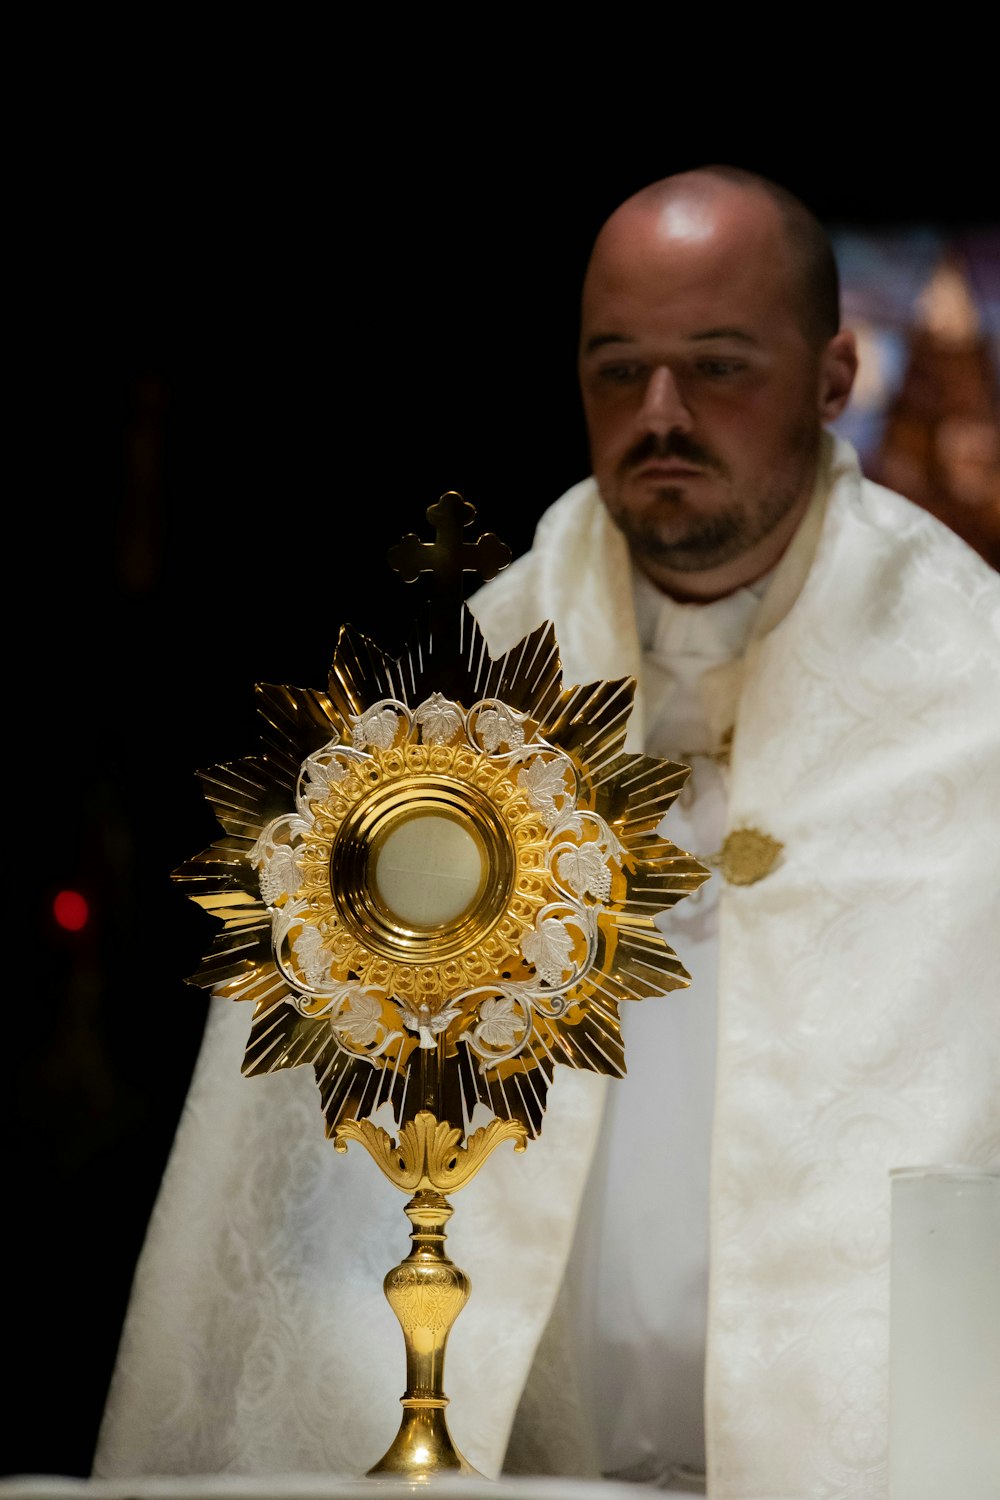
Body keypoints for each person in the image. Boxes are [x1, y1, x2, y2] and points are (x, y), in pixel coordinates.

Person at [93, 168, 1000, 1498]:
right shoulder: (453, 705)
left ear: (833, 374)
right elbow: (285, 1191)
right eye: (618, 371)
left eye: (718, 367)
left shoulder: (974, 691)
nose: (663, 416)